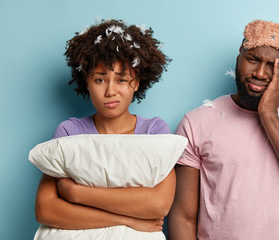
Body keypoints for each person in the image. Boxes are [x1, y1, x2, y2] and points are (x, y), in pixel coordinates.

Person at [168, 19, 279, 240]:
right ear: (238, 57)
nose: (260, 73)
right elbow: (183, 216)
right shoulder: (196, 122)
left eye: (273, 65)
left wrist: (269, 114)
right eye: (252, 59)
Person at [35, 19, 174, 234]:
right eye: (100, 80)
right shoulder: (69, 132)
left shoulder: (154, 131)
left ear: (136, 82)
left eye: (121, 80)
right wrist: (129, 220)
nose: (110, 91)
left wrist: (76, 194)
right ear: (86, 82)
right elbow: (46, 209)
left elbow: (159, 204)